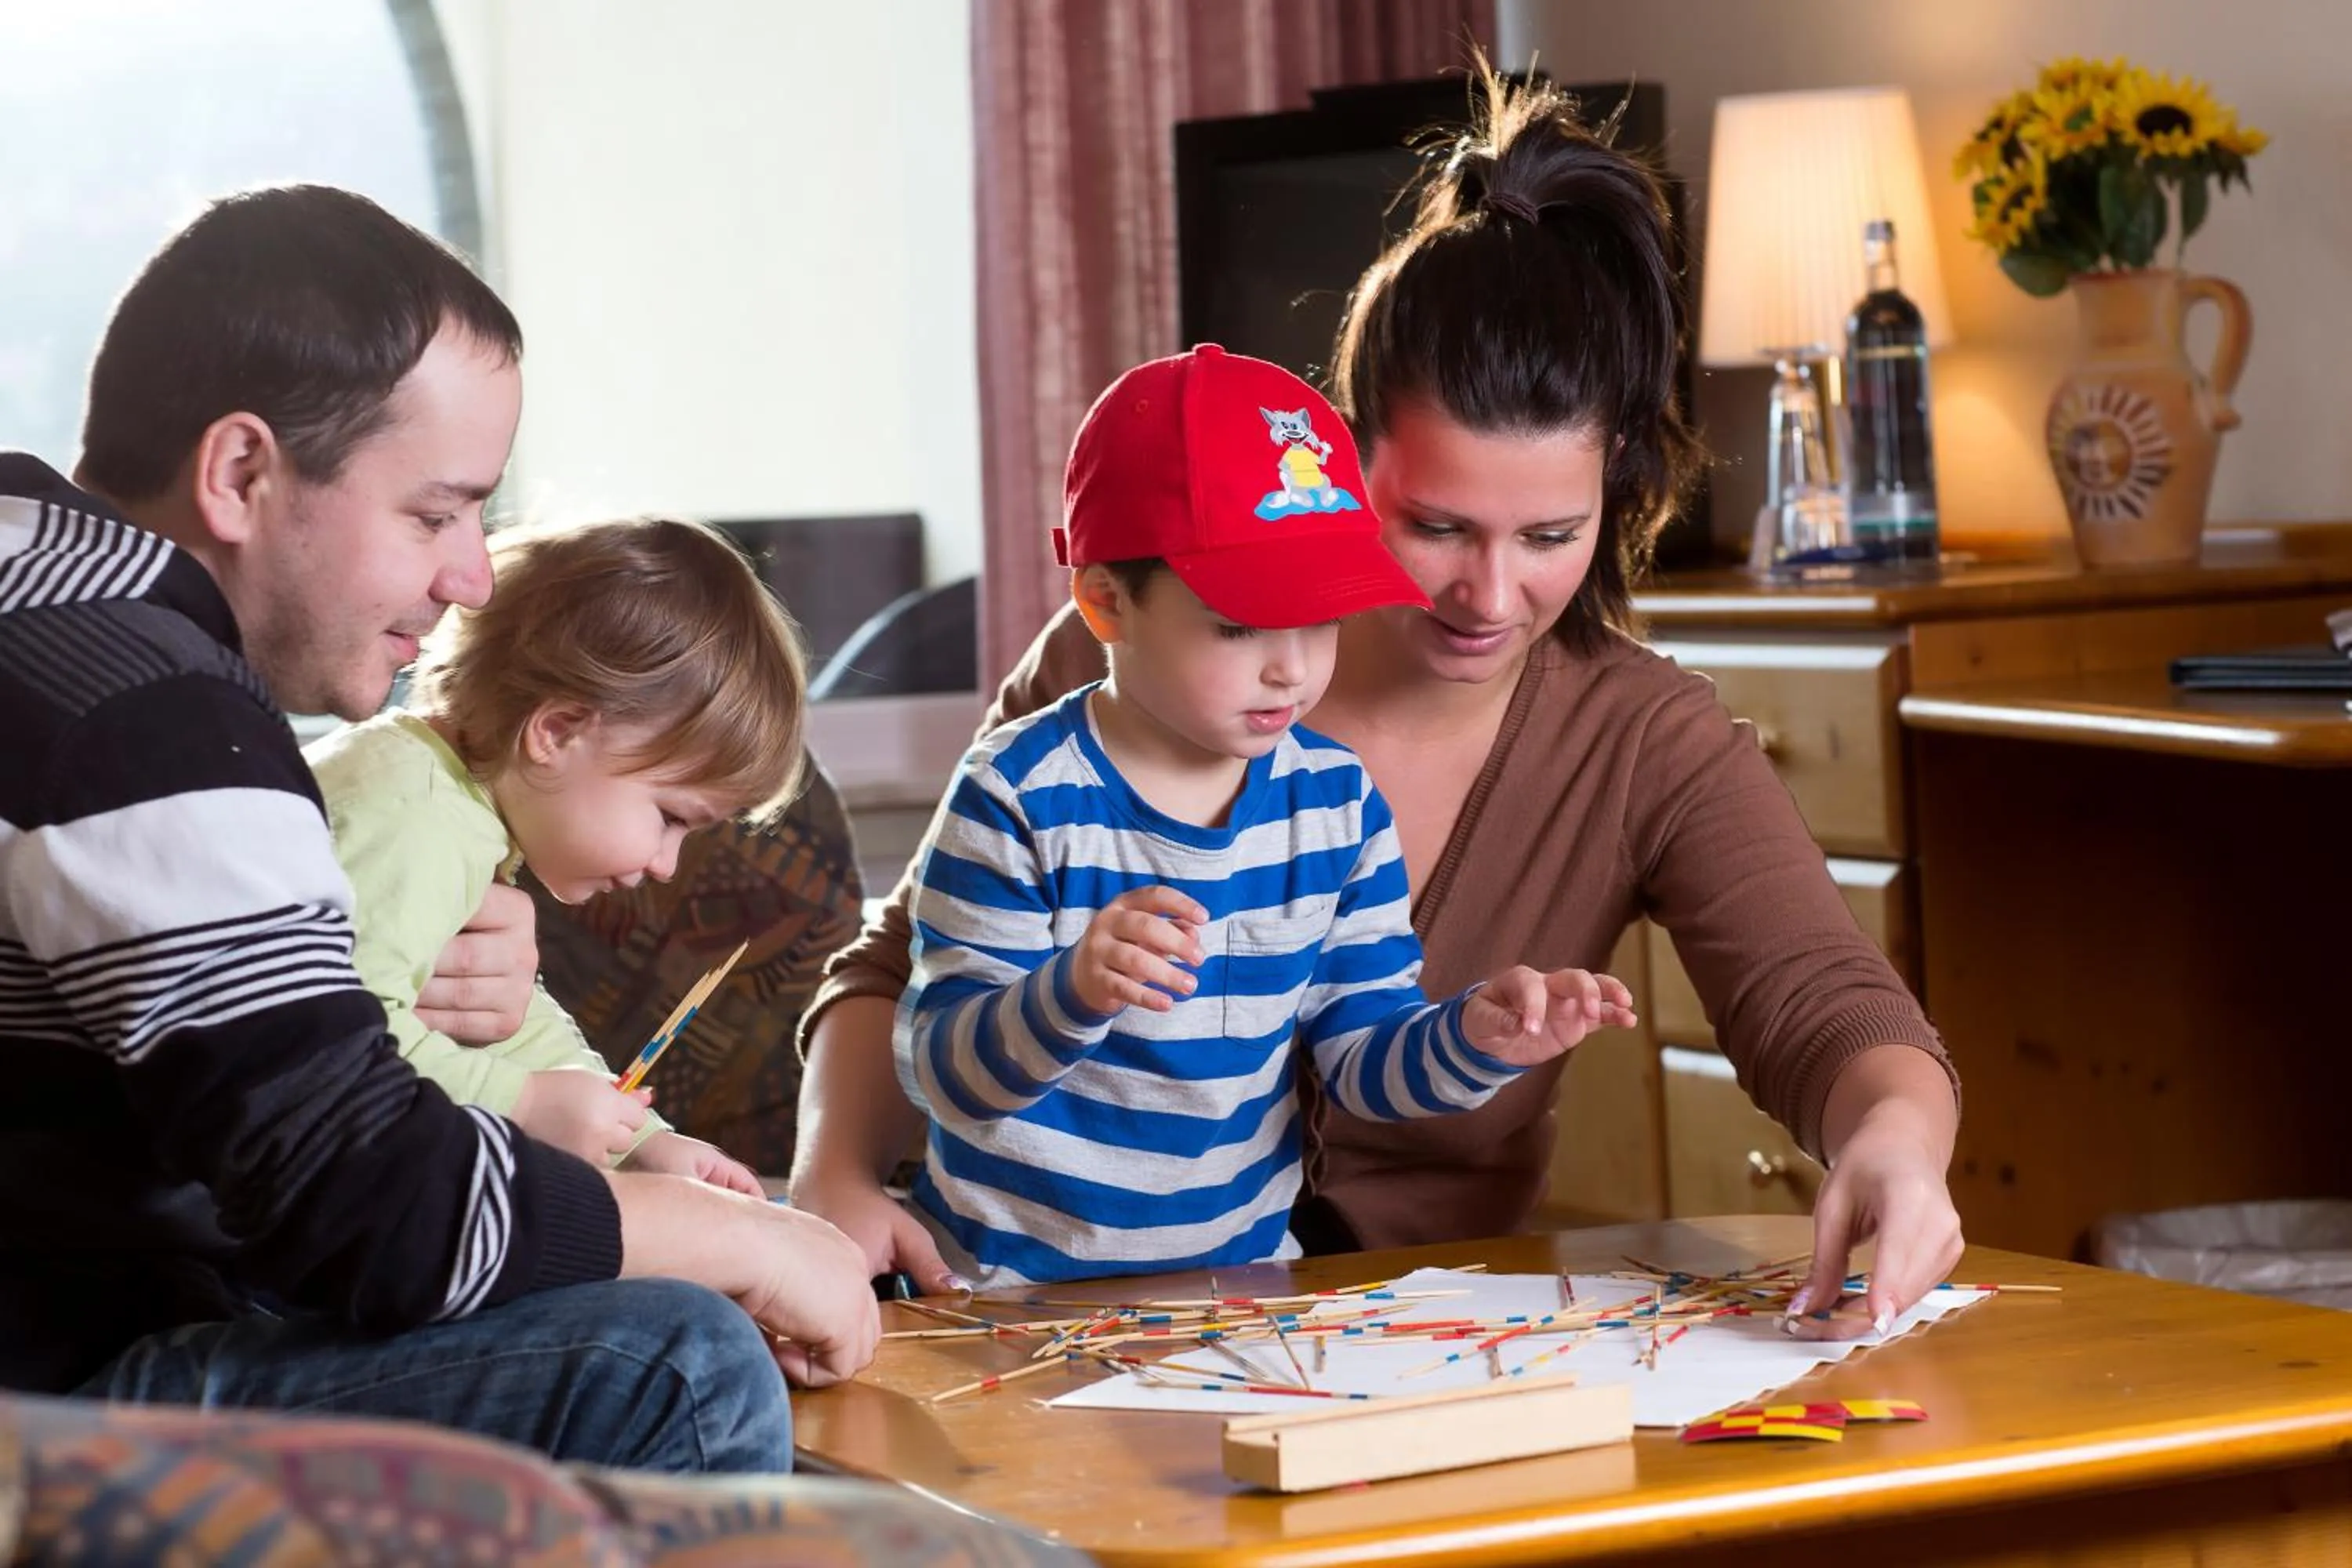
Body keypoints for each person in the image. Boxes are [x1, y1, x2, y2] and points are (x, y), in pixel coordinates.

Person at [792, 69, 1964, 1338]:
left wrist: (1898, 1140)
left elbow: (1827, 1004)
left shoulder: (1640, 738)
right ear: (1342, 465)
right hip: (1031, 1310)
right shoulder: (1140, 657)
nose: (1491, 594)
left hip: (1387, 1351)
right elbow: (905, 969)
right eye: (1438, 526)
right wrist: (831, 1184)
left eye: (1551, 535)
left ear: (1613, 496)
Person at [0, 184, 877, 1469]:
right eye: (435, 513)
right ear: (242, 472)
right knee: (672, 1365)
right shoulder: (146, 702)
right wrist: (748, 1239)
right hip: (49, 1393)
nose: (472, 575)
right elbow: (368, 1203)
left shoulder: (50, 596)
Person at [897, 346, 1633, 1289]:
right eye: (1241, 625)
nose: (1292, 667)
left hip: (1237, 1297)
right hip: (1006, 1297)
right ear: (1107, 601)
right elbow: (945, 1076)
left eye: (1319, 616)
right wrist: (1071, 992)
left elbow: (1364, 1055)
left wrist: (1475, 1040)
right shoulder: (1018, 793)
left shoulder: (1335, 801)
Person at [305, 515, 804, 1194]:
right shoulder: (407, 811)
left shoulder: (462, 809)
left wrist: (644, 1145)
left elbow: (506, 1028)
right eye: (669, 818)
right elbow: (331, 1046)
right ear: (558, 731)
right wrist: (525, 1107)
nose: (666, 865)